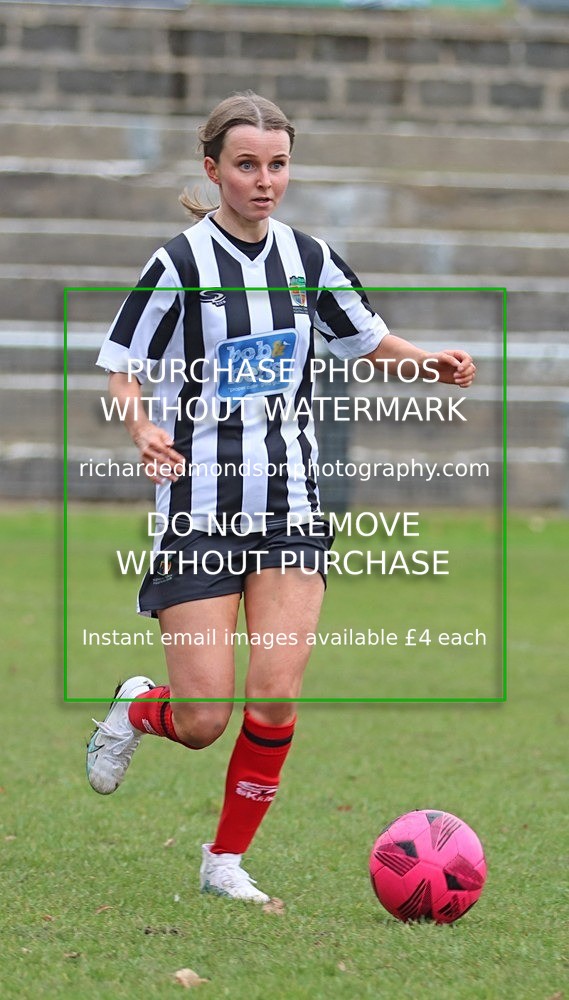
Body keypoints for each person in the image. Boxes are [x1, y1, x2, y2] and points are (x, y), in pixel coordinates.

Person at [86, 92, 476, 904]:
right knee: (202, 720)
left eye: (277, 164)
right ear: (212, 171)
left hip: (292, 505)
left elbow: (367, 340)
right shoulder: (180, 266)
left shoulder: (309, 258)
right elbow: (121, 366)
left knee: (274, 695)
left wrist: (425, 362)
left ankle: (224, 859)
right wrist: (141, 429)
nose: (265, 181)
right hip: (198, 509)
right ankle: (136, 710)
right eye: (246, 165)